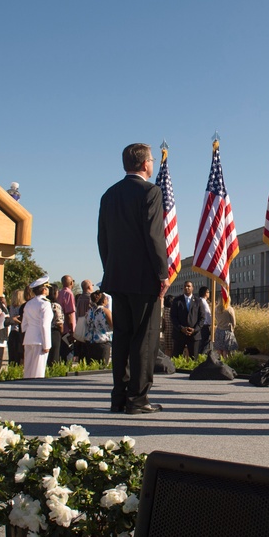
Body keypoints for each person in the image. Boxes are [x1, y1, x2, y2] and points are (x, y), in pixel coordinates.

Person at [98, 142, 170, 414]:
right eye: (151, 159)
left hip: (117, 277)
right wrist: (162, 273)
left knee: (123, 338)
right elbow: (154, 236)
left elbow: (102, 238)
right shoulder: (150, 192)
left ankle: (119, 398)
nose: (152, 163)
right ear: (144, 164)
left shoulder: (109, 195)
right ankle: (138, 400)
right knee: (145, 338)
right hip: (143, 278)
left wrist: (111, 268)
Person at [21, 276, 53, 378]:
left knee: (28, 369)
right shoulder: (45, 304)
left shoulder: (28, 304)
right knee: (38, 370)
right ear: (44, 289)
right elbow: (44, 325)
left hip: (29, 338)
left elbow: (24, 324)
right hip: (40, 340)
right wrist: (46, 344)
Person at [170, 281, 203, 358]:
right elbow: (173, 317)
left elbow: (202, 318)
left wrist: (194, 329)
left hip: (194, 335)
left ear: (192, 288)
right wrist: (181, 328)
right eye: (185, 286)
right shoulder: (177, 301)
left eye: (188, 286)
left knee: (194, 358)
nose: (186, 288)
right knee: (176, 358)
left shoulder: (198, 301)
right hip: (179, 334)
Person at [83, 289, 113, 365]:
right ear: (103, 301)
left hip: (89, 341)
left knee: (91, 367)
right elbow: (112, 325)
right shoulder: (105, 311)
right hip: (102, 341)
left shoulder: (89, 311)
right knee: (102, 366)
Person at [212, 293, 238, 359]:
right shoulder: (229, 309)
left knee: (219, 350)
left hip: (218, 331)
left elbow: (216, 319)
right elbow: (234, 322)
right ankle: (226, 364)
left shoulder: (216, 309)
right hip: (227, 331)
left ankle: (220, 364)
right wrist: (233, 328)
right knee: (226, 351)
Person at [57, 275, 77, 360]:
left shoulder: (59, 293)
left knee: (62, 353)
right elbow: (69, 313)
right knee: (69, 352)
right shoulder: (69, 293)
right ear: (71, 283)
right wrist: (72, 330)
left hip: (60, 327)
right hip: (67, 329)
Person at [46, 285, 64, 366]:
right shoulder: (56, 306)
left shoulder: (45, 304)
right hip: (54, 331)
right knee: (54, 355)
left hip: (45, 331)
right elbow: (59, 322)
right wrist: (62, 331)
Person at [196, 286, 212, 357]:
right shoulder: (203, 302)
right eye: (208, 292)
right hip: (204, 326)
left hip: (200, 325)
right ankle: (201, 358)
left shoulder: (199, 301)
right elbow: (207, 314)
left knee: (201, 344)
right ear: (205, 293)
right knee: (203, 344)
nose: (209, 294)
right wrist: (210, 324)